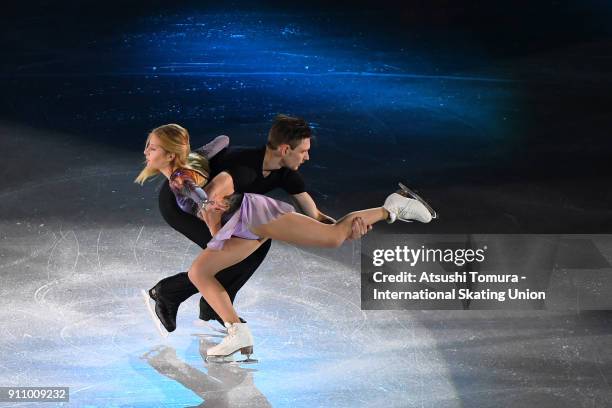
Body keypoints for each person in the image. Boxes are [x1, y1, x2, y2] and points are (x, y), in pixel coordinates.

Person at [135, 122, 436, 362]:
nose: (147, 151)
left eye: (153, 147)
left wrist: (213, 224)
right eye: (303, 151)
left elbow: (208, 195)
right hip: (245, 221)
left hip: (249, 214)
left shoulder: (182, 178)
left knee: (331, 239)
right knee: (201, 272)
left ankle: (392, 207)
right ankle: (236, 332)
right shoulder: (198, 165)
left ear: (171, 154)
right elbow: (221, 141)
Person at [142, 115, 371, 337]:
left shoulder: (287, 174)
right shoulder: (242, 168)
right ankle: (169, 293)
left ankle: (209, 308)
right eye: (303, 151)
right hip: (183, 205)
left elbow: (316, 215)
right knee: (230, 255)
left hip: (216, 207)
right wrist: (218, 236)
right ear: (284, 150)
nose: (307, 157)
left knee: (256, 244)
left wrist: (339, 230)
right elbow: (207, 204)